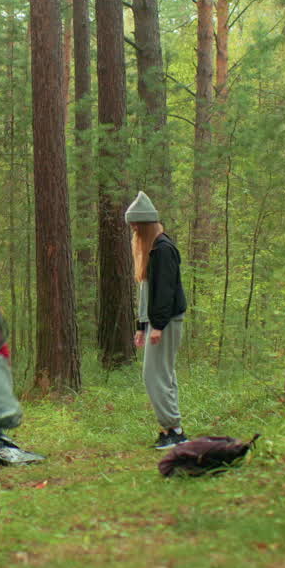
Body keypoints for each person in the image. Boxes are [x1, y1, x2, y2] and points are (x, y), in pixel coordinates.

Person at [125, 191, 189, 449]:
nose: (133, 231)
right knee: (162, 374)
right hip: (157, 321)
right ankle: (171, 430)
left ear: (145, 225)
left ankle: (174, 431)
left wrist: (158, 326)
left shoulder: (164, 250)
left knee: (155, 375)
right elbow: (146, 291)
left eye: (136, 226)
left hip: (167, 321)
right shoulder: (152, 250)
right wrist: (142, 326)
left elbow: (165, 291)